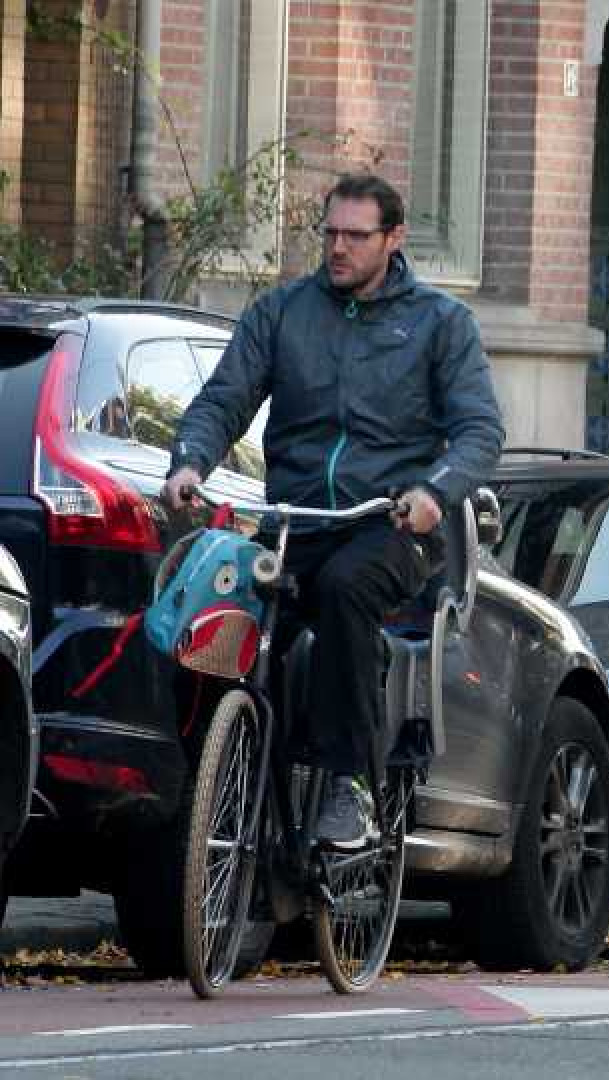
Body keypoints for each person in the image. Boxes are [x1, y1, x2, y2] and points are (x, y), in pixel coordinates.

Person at [163, 173, 505, 849]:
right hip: (294, 520)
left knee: (345, 589)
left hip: (387, 525)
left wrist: (434, 493)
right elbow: (224, 399)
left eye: (356, 235)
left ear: (393, 238)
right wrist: (189, 461)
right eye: (330, 234)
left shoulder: (441, 324)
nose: (338, 249)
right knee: (206, 610)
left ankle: (349, 786)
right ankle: (205, 787)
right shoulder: (283, 312)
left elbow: (479, 432)